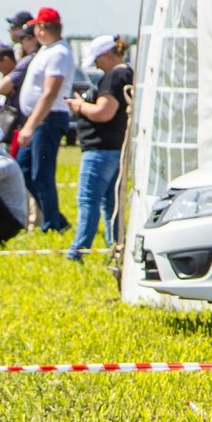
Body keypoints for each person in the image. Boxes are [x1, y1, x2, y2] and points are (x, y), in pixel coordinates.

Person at [66, 35, 133, 261]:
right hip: (114, 149)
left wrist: (80, 106)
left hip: (100, 150)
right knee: (109, 203)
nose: (96, 65)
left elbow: (104, 112)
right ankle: (114, 249)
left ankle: (77, 251)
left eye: (97, 60)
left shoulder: (114, 76)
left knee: (88, 200)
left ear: (106, 54)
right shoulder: (127, 73)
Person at [12, 7, 75, 234]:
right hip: (39, 119)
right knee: (24, 168)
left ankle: (52, 225)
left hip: (47, 119)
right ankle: (55, 218)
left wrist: (30, 125)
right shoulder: (49, 50)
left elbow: (49, 93)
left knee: (42, 173)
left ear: (41, 28)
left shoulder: (58, 53)